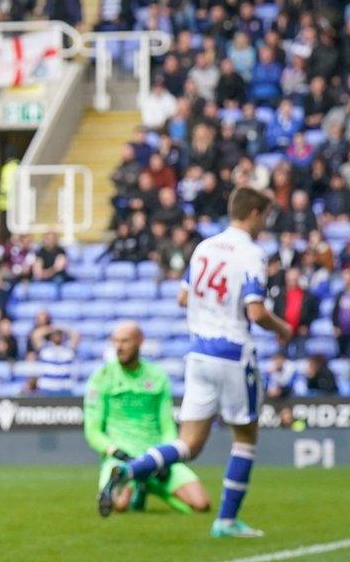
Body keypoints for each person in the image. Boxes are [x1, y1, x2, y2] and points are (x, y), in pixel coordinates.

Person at [99, 187, 292, 538]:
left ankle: (129, 472)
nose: (265, 223)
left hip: (199, 353)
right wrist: (282, 328)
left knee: (189, 444)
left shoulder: (204, 247)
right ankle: (227, 521)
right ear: (252, 213)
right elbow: (256, 311)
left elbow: (182, 297)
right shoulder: (251, 253)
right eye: (264, 216)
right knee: (246, 437)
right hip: (233, 353)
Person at [85, 321, 210, 515]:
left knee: (201, 505)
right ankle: (138, 488)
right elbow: (93, 431)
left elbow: (167, 425)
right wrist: (116, 452)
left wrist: (166, 457)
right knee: (119, 505)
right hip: (121, 458)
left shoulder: (157, 376)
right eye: (115, 342)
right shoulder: (101, 377)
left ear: (139, 342)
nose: (118, 347)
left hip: (155, 456)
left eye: (125, 341)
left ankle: (145, 484)